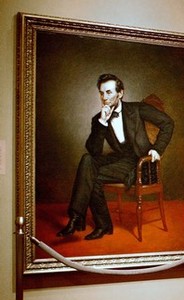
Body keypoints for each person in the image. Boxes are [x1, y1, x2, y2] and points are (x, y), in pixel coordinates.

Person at [57, 73, 174, 240]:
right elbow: (94, 151)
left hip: (140, 163)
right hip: (120, 160)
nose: (104, 97)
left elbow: (168, 123)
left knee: (92, 176)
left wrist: (157, 149)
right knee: (87, 160)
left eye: (109, 92)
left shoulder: (137, 109)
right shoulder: (98, 119)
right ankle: (80, 218)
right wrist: (102, 123)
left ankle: (90, 222)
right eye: (102, 93)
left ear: (120, 93)